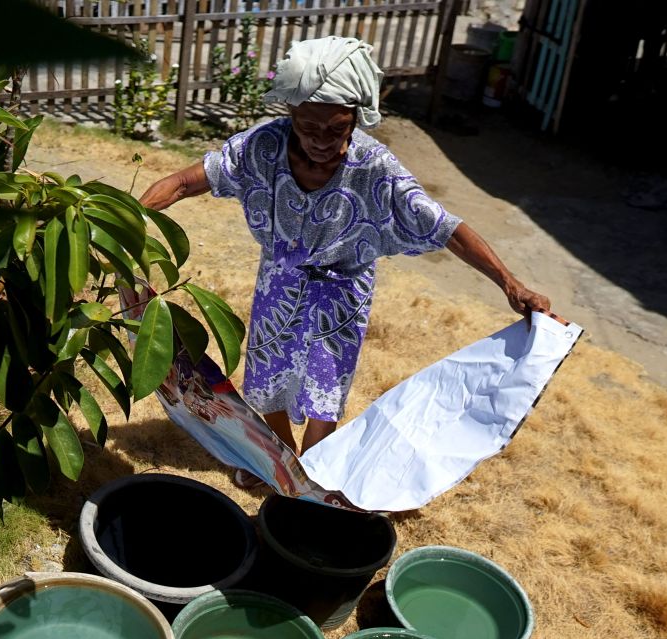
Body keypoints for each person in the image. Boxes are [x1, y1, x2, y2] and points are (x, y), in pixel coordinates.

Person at [138, 36, 552, 489]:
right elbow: (182, 182)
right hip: (280, 279)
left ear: (355, 119)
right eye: (307, 128)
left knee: (325, 385)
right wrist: (128, 226)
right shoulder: (262, 147)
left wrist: (511, 284)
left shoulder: (376, 168)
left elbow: (445, 227)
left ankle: (314, 467)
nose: (320, 141)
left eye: (335, 129)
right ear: (290, 115)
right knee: (268, 373)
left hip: (342, 293)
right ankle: (281, 456)